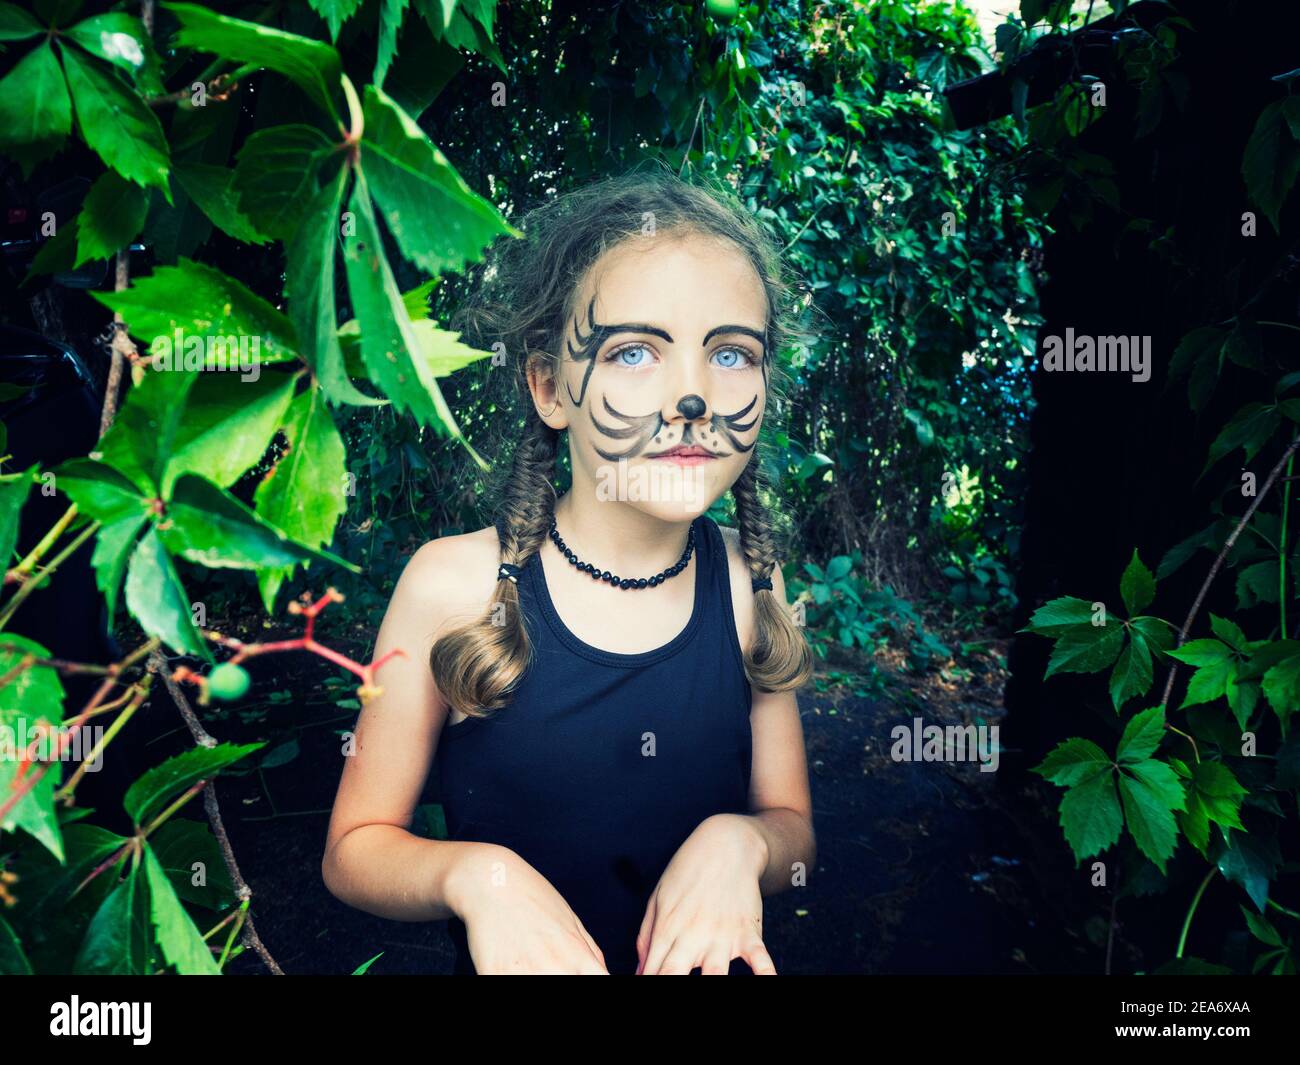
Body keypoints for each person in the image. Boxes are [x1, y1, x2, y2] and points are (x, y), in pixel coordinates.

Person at [322, 163, 816, 974]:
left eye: (730, 354)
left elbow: (793, 824)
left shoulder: (746, 582)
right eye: (633, 352)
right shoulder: (452, 587)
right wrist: (473, 875)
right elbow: (352, 850)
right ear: (550, 386)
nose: (690, 396)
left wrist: (744, 843)